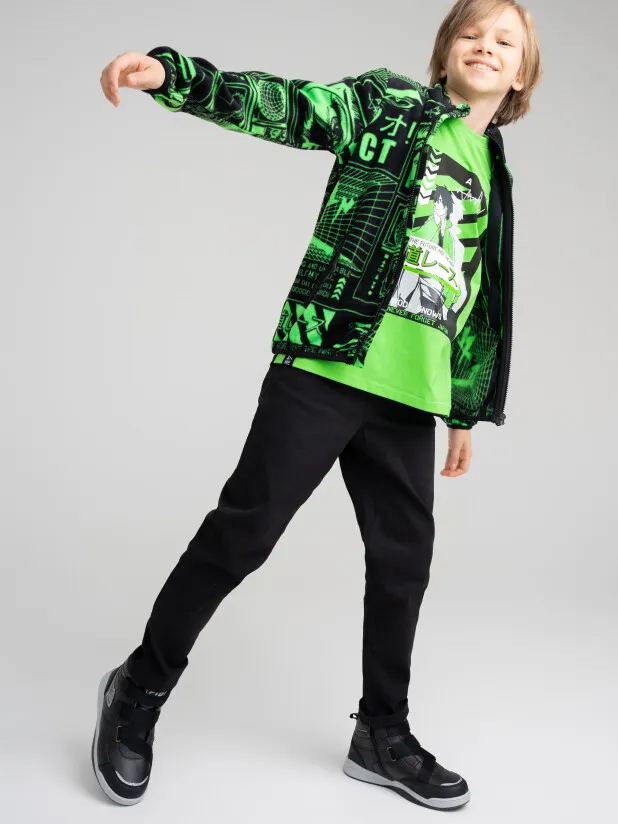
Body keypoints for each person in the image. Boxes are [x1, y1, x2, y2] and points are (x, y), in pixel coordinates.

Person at [93, 0, 542, 810]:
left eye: (504, 41)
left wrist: (463, 409)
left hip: (409, 397)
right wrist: (173, 76)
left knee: (404, 564)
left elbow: (472, 296)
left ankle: (381, 732)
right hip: (325, 363)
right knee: (243, 535)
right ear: (445, 52)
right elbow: (287, 106)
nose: (486, 46)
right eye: (471, 33)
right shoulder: (386, 105)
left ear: (521, 75)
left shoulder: (492, 169)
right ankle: (139, 687)